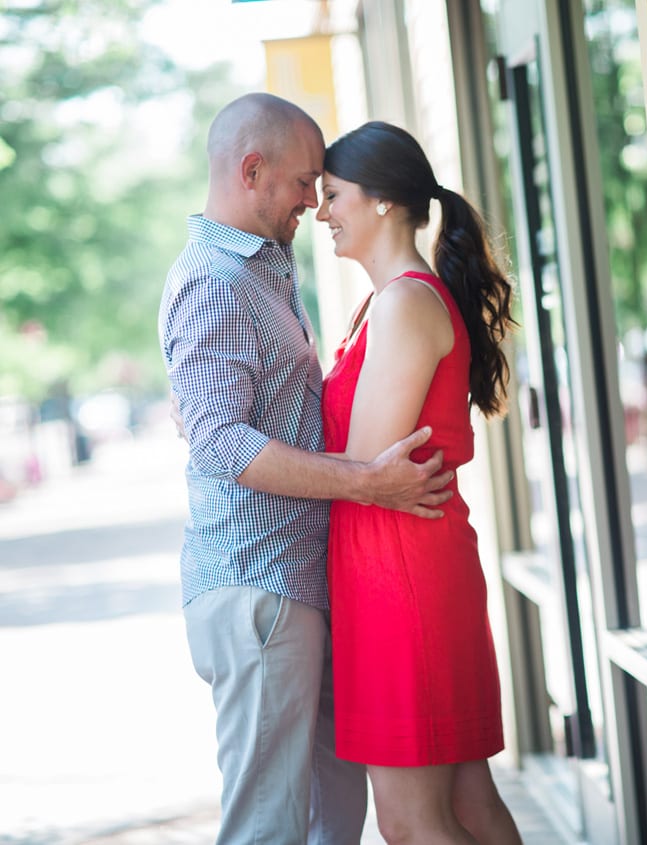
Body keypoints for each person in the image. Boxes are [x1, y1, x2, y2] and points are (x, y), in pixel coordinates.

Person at [159, 93, 453, 845]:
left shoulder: (263, 270)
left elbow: (231, 414)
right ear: (252, 171)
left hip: (302, 582)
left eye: (325, 187)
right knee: (269, 827)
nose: (313, 204)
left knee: (329, 823)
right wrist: (366, 480)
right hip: (258, 586)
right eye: (305, 183)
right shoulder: (214, 281)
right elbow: (220, 441)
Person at [315, 121, 522, 844]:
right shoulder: (384, 303)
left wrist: (248, 450)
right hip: (400, 564)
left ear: (379, 203)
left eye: (333, 194)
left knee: (410, 823)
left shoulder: (406, 302)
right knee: (468, 802)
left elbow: (368, 465)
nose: (321, 212)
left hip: (398, 576)